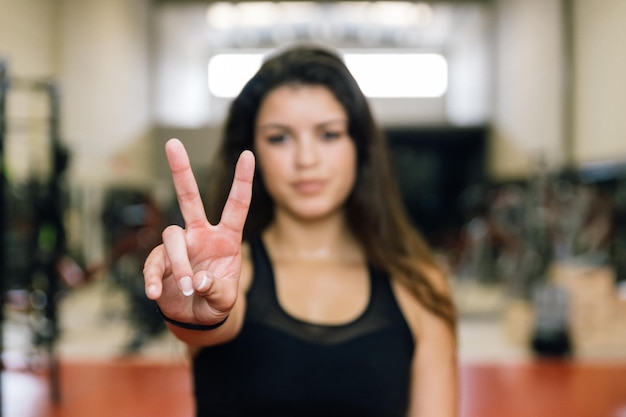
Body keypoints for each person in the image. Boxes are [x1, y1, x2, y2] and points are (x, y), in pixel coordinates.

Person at [143, 43, 458, 417]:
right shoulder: (223, 277)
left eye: (328, 134)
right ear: (252, 149)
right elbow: (213, 319)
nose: (306, 160)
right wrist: (189, 308)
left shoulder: (419, 285)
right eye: (280, 137)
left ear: (359, 146)